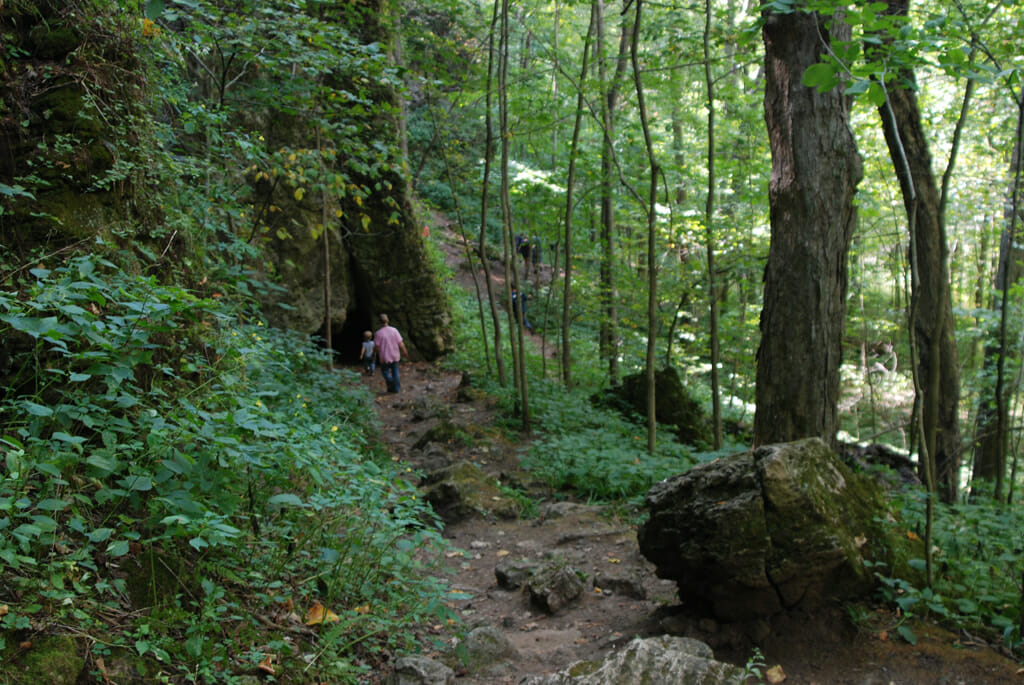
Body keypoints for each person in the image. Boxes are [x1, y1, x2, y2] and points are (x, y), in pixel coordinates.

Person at [374, 313, 408, 393]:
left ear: (379, 322)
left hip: (384, 356)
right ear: (388, 320)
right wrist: (404, 352)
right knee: (395, 371)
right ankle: (396, 389)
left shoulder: (378, 333)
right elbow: (401, 343)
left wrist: (374, 353)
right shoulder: (394, 330)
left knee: (385, 371)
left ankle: (390, 380)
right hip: (395, 355)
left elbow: (376, 346)